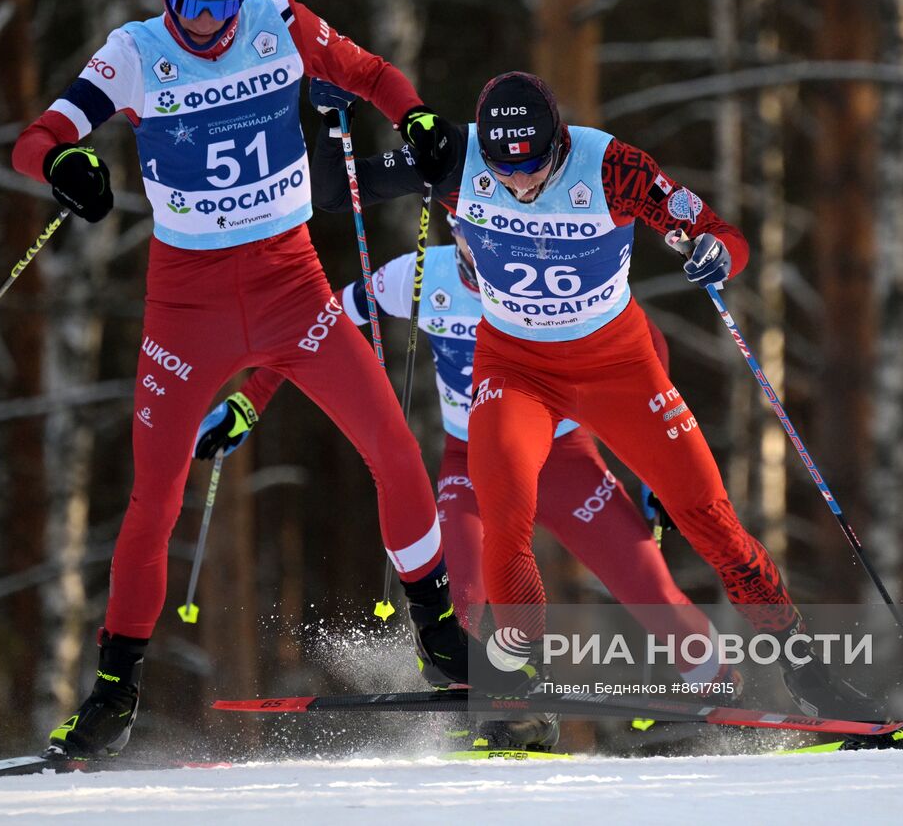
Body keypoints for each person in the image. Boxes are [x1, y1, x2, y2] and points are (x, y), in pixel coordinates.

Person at [280, 72, 882, 733]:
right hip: (515, 367)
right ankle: (520, 680)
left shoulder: (612, 167)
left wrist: (716, 255)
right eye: (504, 171)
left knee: (712, 522)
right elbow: (332, 190)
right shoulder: (454, 154)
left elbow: (715, 230)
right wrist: (326, 120)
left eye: (533, 168)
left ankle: (810, 673)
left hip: (619, 367)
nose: (519, 184)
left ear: (558, 141)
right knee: (505, 520)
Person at [10, 0, 466, 759]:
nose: (204, 26)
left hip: (293, 289)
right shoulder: (137, 51)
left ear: (241, 1)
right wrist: (63, 165)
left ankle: (441, 636)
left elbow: (368, 74)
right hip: (188, 309)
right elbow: (37, 137)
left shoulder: (279, 24)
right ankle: (115, 692)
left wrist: (420, 116)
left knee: (396, 450)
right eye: (186, 5)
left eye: (217, 10)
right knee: (156, 498)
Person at [200, 208, 736, 749]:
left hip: (562, 459)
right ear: (455, 232)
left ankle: (721, 689)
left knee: (649, 590)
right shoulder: (417, 276)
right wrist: (250, 398)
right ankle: (507, 704)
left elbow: (647, 342)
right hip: (471, 462)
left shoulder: (547, 273)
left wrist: (655, 464)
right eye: (476, 237)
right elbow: (316, 322)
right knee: (461, 597)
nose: (491, 252)